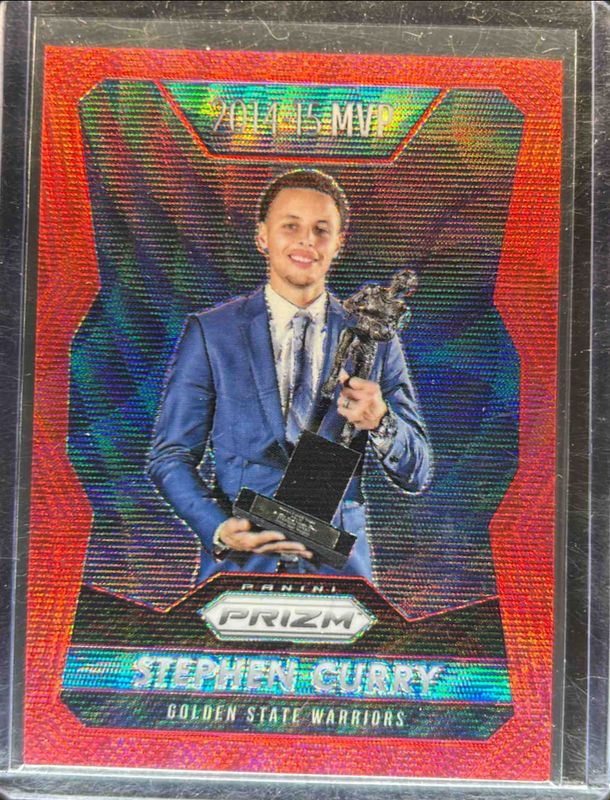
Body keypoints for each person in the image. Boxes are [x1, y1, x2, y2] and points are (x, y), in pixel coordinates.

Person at [147, 169, 431, 581]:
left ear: (339, 243)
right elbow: (170, 456)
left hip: (341, 572)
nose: (306, 241)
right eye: (290, 226)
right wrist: (220, 528)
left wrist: (381, 421)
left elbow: (417, 472)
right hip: (240, 568)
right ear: (262, 236)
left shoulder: (376, 339)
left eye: (321, 230)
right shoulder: (212, 333)